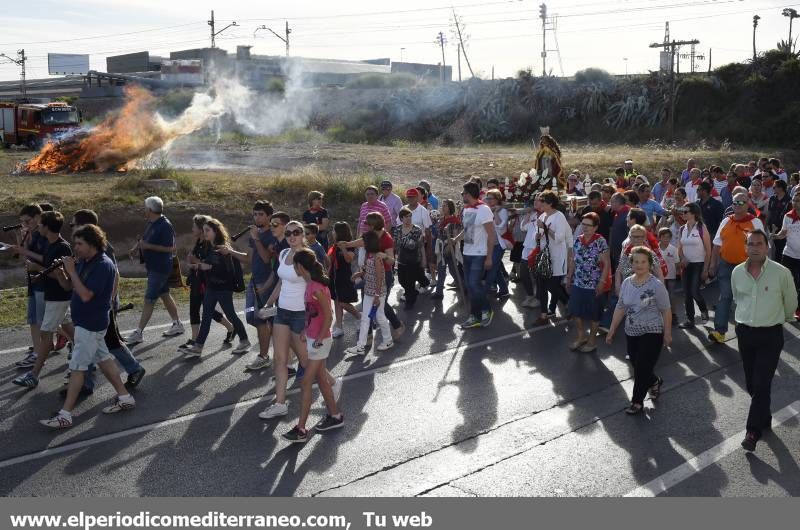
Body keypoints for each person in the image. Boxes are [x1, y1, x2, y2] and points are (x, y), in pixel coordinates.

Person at [40, 225, 135, 429]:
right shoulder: (84, 261)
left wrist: (72, 270)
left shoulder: (103, 265)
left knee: (77, 367)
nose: (76, 247)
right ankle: (125, 397)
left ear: (92, 243)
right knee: (103, 359)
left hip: (91, 324)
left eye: (80, 243)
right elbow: (69, 287)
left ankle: (65, 414)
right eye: (75, 243)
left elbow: (85, 295)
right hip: (85, 323)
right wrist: (61, 273)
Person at [732, 230, 798, 451]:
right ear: (745, 247)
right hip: (744, 333)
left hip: (770, 334)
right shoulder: (737, 273)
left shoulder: (781, 273)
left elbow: (791, 302)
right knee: (752, 383)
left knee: (761, 382)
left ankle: (753, 432)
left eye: (759, 244)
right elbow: (737, 298)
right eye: (751, 244)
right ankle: (765, 415)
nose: (755, 248)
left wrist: (782, 319)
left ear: (767, 246)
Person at [282, 249, 343, 442]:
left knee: (305, 381)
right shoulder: (309, 284)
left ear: (300, 266)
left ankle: (301, 428)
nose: (294, 269)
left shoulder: (316, 287)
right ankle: (335, 416)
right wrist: (305, 330)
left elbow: (329, 315)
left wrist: (319, 337)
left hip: (321, 340)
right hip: (312, 336)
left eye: (295, 266)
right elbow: (312, 313)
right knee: (322, 379)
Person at [258, 221, 315, 419]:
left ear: (303, 235)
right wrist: (268, 304)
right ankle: (280, 403)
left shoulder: (307, 257)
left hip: (300, 315)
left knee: (308, 361)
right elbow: (281, 283)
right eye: (289, 233)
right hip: (282, 313)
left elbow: (313, 290)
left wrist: (309, 321)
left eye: (296, 233)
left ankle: (333, 385)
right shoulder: (283, 254)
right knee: (280, 359)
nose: (292, 236)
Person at [12, 211, 75, 389]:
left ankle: (34, 375)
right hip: (51, 295)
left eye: (40, 225)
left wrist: (37, 268)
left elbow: (65, 277)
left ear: (47, 227)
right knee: (70, 330)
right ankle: (87, 356)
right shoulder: (50, 243)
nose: (38, 227)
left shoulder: (62, 247)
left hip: (59, 298)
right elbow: (48, 265)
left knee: (45, 334)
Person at [607, 246, 672, 415]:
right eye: (636, 261)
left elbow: (666, 309)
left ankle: (637, 402)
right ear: (632, 264)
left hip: (652, 331)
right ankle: (655, 381)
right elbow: (620, 307)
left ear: (649, 264)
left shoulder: (656, 285)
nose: (639, 265)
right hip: (632, 331)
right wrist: (612, 329)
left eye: (643, 262)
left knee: (642, 366)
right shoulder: (627, 283)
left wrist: (667, 333)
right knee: (638, 365)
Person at [182, 219, 251, 358]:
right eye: (204, 230)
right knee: (206, 316)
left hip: (223, 288)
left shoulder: (221, 247)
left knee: (231, 315)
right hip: (211, 287)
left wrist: (196, 264)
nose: (205, 232)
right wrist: (197, 264)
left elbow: (213, 266)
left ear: (216, 231)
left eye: (208, 230)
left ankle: (244, 341)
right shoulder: (209, 245)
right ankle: (198, 346)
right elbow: (207, 265)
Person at [124, 196, 184, 345]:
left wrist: (149, 247)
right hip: (153, 267)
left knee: (149, 300)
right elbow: (144, 240)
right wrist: (135, 248)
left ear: (150, 210)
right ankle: (177, 324)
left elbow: (171, 248)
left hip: (160, 268)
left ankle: (139, 333)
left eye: (145, 208)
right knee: (164, 294)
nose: (144, 210)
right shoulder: (151, 223)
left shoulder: (165, 225)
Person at [708, 193, 765, 344]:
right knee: (725, 296)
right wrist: (713, 264)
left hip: (748, 267)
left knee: (746, 299)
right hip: (726, 265)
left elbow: (765, 246)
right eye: (735, 202)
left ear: (748, 205)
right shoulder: (726, 220)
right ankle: (719, 332)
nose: (737, 204)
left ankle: (747, 330)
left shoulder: (755, 222)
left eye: (741, 201)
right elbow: (717, 244)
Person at [450, 181, 496, 329]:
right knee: (470, 286)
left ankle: (486, 311)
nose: (462, 195)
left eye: (463, 193)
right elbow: (467, 229)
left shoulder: (484, 209)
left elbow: (491, 235)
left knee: (473, 284)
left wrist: (489, 257)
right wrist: (456, 239)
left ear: (469, 194)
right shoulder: (467, 209)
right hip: (467, 252)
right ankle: (474, 316)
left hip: (479, 254)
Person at [240, 201, 279, 372]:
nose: (257, 217)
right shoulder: (255, 234)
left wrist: (256, 238)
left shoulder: (271, 235)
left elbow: (265, 258)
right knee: (251, 317)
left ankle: (264, 356)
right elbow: (249, 258)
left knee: (260, 318)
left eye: (261, 214)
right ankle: (274, 344)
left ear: (269, 216)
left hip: (266, 282)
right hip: (254, 280)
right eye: (255, 214)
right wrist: (229, 252)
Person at [566, 212, 610, 353]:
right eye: (583, 224)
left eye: (588, 225)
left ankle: (592, 342)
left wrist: (602, 282)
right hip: (578, 282)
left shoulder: (600, 241)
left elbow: (607, 263)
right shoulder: (578, 240)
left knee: (594, 314)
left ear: (595, 227)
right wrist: (569, 277)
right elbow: (573, 260)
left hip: (594, 284)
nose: (584, 228)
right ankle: (581, 336)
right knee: (575, 311)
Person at [345, 231, 394, 355]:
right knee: (366, 319)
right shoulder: (369, 255)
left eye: (363, 241)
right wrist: (360, 273)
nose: (361, 243)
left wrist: (377, 296)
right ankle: (360, 346)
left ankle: (388, 340)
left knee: (379, 316)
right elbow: (368, 270)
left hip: (377, 293)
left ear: (369, 243)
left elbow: (379, 278)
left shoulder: (377, 258)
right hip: (368, 291)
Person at [12, 204, 49, 368]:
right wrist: (21, 240)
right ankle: (36, 352)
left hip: (43, 283)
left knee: (46, 321)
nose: (25, 224)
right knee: (33, 320)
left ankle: (46, 351)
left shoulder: (44, 235)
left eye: (27, 221)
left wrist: (27, 249)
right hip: (32, 282)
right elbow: (24, 258)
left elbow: (45, 258)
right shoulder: (31, 234)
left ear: (37, 218)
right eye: (23, 222)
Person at [531, 191, 571, 326]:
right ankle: (543, 314)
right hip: (544, 257)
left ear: (550, 203)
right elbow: (538, 235)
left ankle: (569, 304)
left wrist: (545, 229)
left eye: (542, 201)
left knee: (552, 286)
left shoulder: (559, 217)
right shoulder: (542, 216)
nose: (539, 203)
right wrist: (537, 236)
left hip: (556, 256)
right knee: (541, 285)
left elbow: (560, 238)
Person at [676, 203, 711, 328]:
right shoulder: (682, 229)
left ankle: (703, 310)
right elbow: (679, 249)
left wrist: (706, 269)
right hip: (686, 266)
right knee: (687, 293)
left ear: (693, 213)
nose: (683, 213)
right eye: (682, 211)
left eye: (685, 211)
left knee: (695, 292)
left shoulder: (701, 227)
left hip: (699, 264)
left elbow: (708, 249)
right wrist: (682, 259)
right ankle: (690, 320)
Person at [392, 207, 429, 309]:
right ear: (401, 218)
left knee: (410, 281)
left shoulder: (417, 229)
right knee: (401, 280)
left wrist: (424, 260)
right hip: (401, 260)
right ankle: (413, 292)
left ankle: (410, 302)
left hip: (414, 261)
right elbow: (394, 245)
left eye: (410, 216)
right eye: (406, 217)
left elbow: (421, 246)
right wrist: (392, 257)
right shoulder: (397, 230)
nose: (408, 219)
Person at [328, 222, 360, 337]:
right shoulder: (334, 245)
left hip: (345, 276)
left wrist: (344, 249)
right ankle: (339, 327)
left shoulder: (349, 245)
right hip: (334, 276)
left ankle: (359, 317)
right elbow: (330, 262)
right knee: (336, 302)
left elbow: (348, 260)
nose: (332, 233)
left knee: (343, 302)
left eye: (334, 231)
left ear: (340, 232)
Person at [771, 193, 800, 320]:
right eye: (794, 200)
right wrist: (776, 236)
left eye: (798, 200)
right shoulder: (788, 216)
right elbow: (783, 233)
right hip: (788, 254)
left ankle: (797, 309)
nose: (795, 203)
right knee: (786, 281)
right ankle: (782, 305)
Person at [432, 199, 462, 300]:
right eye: (443, 205)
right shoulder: (442, 219)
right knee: (443, 270)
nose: (443, 207)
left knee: (452, 270)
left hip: (449, 249)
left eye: (445, 206)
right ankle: (439, 292)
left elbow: (455, 236)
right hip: (441, 247)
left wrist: (449, 248)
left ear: (450, 208)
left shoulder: (454, 220)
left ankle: (462, 286)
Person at [485, 189, 511, 298]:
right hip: (489, 243)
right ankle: (504, 290)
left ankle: (484, 290)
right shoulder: (487, 210)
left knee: (492, 267)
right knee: (496, 268)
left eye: (490, 198)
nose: (488, 201)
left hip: (499, 244)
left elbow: (501, 226)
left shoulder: (502, 211)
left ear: (497, 199)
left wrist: (495, 212)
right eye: (487, 198)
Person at [658, 227, 680, 324]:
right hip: (659, 276)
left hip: (671, 276)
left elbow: (677, 263)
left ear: (670, 238)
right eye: (664, 237)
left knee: (671, 295)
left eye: (668, 237)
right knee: (660, 296)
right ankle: (661, 315)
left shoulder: (673, 249)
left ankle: (673, 314)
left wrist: (679, 272)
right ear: (660, 237)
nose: (666, 239)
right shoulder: (656, 249)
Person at [767, 180, 791, 259]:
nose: (773, 188)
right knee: (769, 250)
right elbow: (769, 212)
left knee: (780, 250)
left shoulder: (789, 200)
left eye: (774, 187)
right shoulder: (772, 198)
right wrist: (767, 224)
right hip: (771, 228)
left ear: (781, 188)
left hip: (782, 229)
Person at [609, 193, 630, 273]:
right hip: (617, 251)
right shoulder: (618, 213)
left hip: (625, 253)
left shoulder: (628, 215)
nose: (610, 204)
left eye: (611, 202)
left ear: (617, 202)